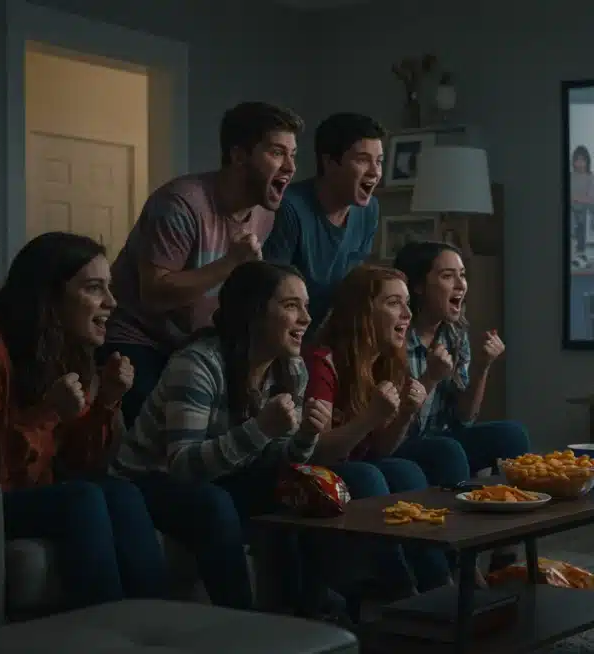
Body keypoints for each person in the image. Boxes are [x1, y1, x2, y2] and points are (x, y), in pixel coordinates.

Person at [0, 232, 169, 609]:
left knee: (120, 492)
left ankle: (156, 630)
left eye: (109, 288)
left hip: (24, 492)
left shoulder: (62, 352)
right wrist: (48, 412)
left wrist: (107, 401)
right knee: (81, 499)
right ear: (49, 297)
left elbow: (80, 463)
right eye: (94, 288)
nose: (111, 302)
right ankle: (106, 634)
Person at [112, 260, 341, 618]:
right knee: (214, 504)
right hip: (148, 479)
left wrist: (306, 437)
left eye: (306, 307)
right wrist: (261, 428)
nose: (306, 319)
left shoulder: (290, 369)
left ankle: (309, 614)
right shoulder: (198, 364)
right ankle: (239, 625)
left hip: (224, 474)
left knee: (305, 490)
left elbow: (278, 460)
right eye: (291, 306)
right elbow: (183, 467)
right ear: (254, 312)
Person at [103, 102, 303, 427]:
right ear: (239, 156)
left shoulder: (265, 212)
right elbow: (153, 293)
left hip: (197, 345)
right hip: (139, 340)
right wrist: (230, 263)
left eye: (293, 155)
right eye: (278, 153)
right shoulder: (180, 204)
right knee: (163, 434)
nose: (291, 166)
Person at [304, 264, 452, 596]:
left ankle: (440, 586)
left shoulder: (386, 360)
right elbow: (319, 453)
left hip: (358, 463)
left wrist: (403, 414)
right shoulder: (322, 361)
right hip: (317, 474)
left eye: (407, 304)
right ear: (362, 312)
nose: (407, 314)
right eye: (393, 303)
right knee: (369, 476)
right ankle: (400, 594)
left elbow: (382, 448)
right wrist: (371, 417)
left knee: (406, 469)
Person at [393, 240, 529, 572]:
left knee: (512, 435)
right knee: (448, 451)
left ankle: (506, 553)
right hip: (401, 441)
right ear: (419, 287)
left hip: (444, 435)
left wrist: (482, 366)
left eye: (463, 275)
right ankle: (459, 566)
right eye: (448, 276)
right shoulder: (396, 336)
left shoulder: (454, 335)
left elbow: (466, 417)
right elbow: (402, 426)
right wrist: (431, 377)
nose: (461, 285)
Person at [263, 113, 386, 331]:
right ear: (329, 162)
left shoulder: (370, 210)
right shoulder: (289, 208)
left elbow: (354, 284)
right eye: (362, 160)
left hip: (335, 336)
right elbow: (272, 294)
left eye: (378, 161)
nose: (375, 172)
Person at [570, 145, 594, 269]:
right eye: (577, 160)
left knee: (585, 213)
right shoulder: (570, 176)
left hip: (587, 212)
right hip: (573, 211)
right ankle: (577, 254)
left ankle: (584, 254)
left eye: (582, 160)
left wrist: (577, 198)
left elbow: (592, 198)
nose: (580, 163)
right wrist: (579, 198)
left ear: (587, 161)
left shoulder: (591, 177)